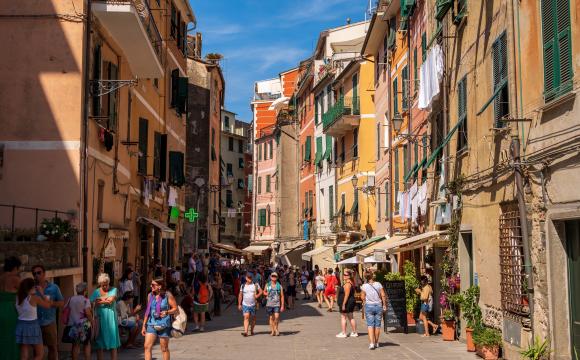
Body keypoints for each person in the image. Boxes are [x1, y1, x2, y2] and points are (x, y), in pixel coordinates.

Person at [32, 264, 64, 360]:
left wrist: (51, 303)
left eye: (39, 272)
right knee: (36, 350)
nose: (36, 275)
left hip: (49, 322)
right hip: (36, 323)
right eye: (34, 273)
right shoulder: (31, 289)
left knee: (53, 348)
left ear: (44, 273)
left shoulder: (54, 288)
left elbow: (62, 303)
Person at [15, 278, 52, 360]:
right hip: (33, 325)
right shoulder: (35, 298)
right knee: (40, 354)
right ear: (31, 288)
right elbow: (48, 305)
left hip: (21, 325)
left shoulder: (17, 297)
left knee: (24, 355)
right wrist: (42, 293)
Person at [142, 278, 178, 360]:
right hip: (151, 323)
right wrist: (144, 325)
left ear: (159, 286)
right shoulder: (150, 295)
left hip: (164, 324)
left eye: (153, 285)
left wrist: (167, 312)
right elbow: (148, 311)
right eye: (151, 284)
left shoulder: (167, 295)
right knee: (147, 346)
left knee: (164, 348)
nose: (151, 286)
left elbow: (175, 308)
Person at [90, 273, 121, 360]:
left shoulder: (114, 289)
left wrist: (99, 300)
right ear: (100, 284)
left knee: (113, 342)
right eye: (103, 285)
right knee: (99, 343)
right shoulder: (96, 292)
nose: (105, 287)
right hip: (100, 319)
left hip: (111, 319)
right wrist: (104, 300)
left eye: (106, 284)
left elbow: (110, 301)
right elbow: (91, 302)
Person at [63, 282, 93, 360]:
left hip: (73, 325)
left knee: (75, 345)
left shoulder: (71, 299)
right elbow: (88, 313)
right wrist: (92, 321)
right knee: (87, 344)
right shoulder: (86, 300)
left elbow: (64, 309)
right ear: (85, 291)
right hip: (84, 325)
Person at [0, 256, 22, 359]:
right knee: (12, 338)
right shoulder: (15, 279)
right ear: (15, 267)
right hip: (10, 310)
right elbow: (25, 293)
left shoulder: (1, 277)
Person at [361, 271, 387, 350]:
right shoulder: (378, 284)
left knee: (370, 325)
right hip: (378, 306)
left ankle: (372, 343)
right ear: (372, 276)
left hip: (369, 306)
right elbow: (383, 295)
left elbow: (362, 297)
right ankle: (376, 342)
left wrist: (364, 302)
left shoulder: (364, 286)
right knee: (378, 325)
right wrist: (384, 305)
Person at [238, 272, 262, 337]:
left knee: (253, 318)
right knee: (246, 317)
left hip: (253, 304)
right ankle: (246, 332)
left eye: (251, 277)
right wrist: (239, 304)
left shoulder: (255, 285)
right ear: (246, 278)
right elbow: (240, 295)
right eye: (248, 277)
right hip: (245, 304)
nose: (250, 279)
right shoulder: (243, 286)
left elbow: (261, 291)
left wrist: (257, 296)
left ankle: (251, 330)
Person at [336, 269, 357, 338]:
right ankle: (354, 332)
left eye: (345, 275)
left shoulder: (348, 284)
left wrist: (343, 304)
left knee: (343, 317)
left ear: (349, 276)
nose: (343, 276)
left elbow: (346, 295)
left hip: (347, 302)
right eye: (343, 274)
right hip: (350, 302)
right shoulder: (350, 282)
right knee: (351, 317)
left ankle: (343, 333)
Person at [263, 272, 285, 336]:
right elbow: (264, 292)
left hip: (277, 304)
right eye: (272, 276)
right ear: (270, 277)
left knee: (276, 317)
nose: (273, 277)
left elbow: (282, 296)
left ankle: (276, 328)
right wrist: (266, 294)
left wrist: (282, 305)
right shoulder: (267, 285)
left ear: (277, 277)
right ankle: (272, 331)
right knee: (271, 318)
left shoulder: (279, 286)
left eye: (275, 276)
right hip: (269, 304)